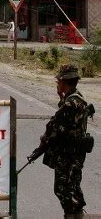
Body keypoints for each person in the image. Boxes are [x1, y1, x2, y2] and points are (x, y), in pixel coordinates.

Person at [36, 65, 91, 217]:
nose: (57, 84)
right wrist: (61, 97)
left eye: (59, 81)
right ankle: (76, 214)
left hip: (68, 155)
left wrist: (43, 143)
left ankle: (73, 215)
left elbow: (55, 128)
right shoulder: (77, 98)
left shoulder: (69, 104)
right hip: (75, 154)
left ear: (64, 81)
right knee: (73, 188)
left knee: (63, 189)